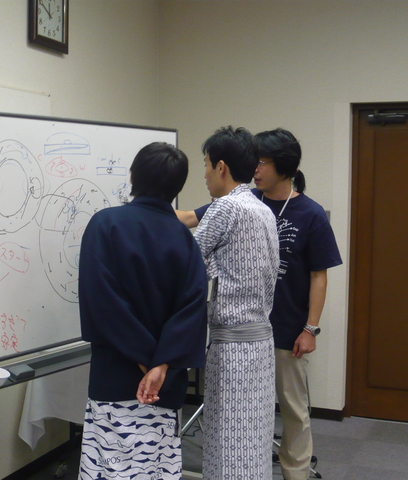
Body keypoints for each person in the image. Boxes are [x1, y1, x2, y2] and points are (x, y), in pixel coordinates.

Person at [178, 128, 343, 480]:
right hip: (255, 329)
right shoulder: (253, 202)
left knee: (283, 413)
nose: (256, 168)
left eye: (263, 162)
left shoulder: (307, 212)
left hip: (280, 328)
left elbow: (319, 275)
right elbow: (192, 218)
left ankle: (296, 473)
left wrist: (310, 328)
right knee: (249, 420)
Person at [77, 142, 208, 480]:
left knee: (110, 468)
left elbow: (102, 302)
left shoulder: (105, 224)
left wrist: (144, 361)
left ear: (133, 176)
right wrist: (159, 365)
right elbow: (192, 310)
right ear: (177, 187)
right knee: (154, 466)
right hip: (163, 384)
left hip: (116, 376)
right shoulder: (185, 239)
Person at [191, 126, 280, 480]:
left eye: (206, 165)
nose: (204, 174)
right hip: (261, 342)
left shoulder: (225, 207)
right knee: (253, 439)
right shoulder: (262, 209)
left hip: (232, 346)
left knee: (228, 442)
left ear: (221, 167)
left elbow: (190, 263)